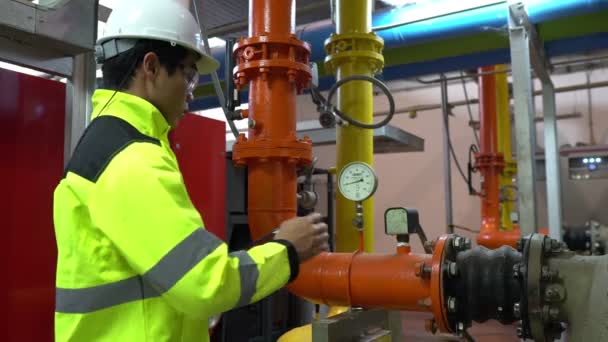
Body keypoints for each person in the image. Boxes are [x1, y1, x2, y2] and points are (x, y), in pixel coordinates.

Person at [53, 1, 329, 341]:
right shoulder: (131, 160)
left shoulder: (109, 145)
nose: (192, 89)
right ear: (151, 67)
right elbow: (203, 283)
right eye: (188, 73)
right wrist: (287, 251)